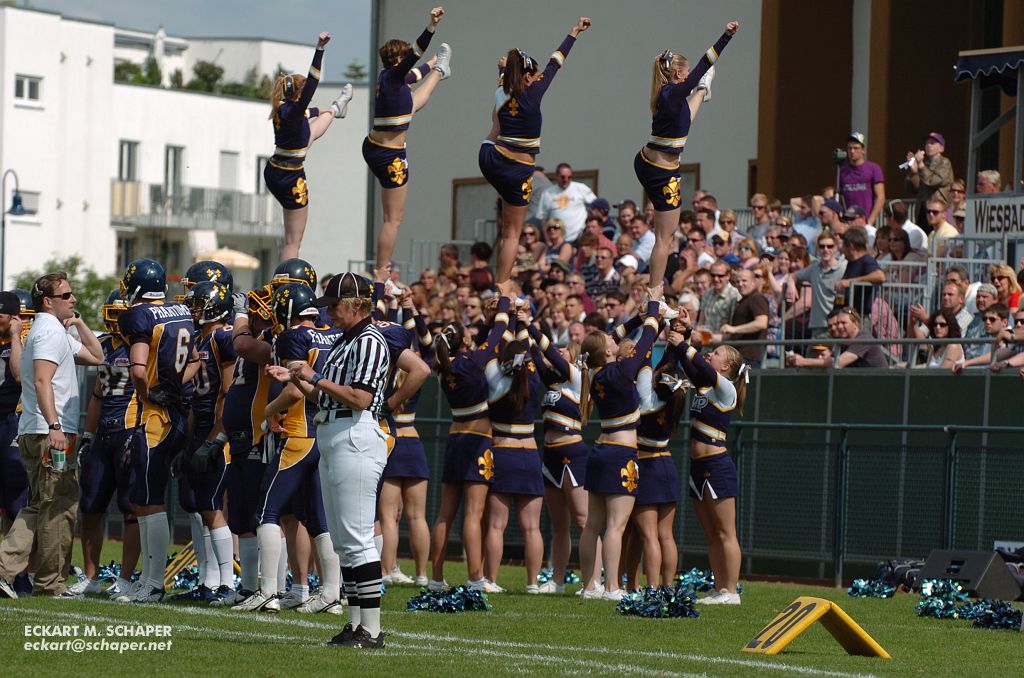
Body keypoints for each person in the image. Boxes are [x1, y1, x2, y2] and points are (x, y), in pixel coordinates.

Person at [277, 273, 392, 648]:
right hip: (333, 430)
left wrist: (314, 376)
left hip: (355, 433)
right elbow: (324, 397)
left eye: (335, 305)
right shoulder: (346, 340)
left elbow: (360, 398)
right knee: (343, 541)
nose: (329, 313)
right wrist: (295, 377)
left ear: (357, 304)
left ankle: (371, 630)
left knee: (357, 538)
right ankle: (356, 624)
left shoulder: (370, 340)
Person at [0, 273, 104, 599]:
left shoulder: (54, 331)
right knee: (57, 507)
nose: (73, 299)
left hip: (41, 431)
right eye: (66, 295)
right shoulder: (48, 332)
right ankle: (39, 581)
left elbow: (98, 356)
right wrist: (55, 426)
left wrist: (79, 323)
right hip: (50, 433)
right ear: (47, 301)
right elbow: (42, 381)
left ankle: (43, 581)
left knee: (46, 505)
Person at [483, 19, 592, 286]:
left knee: (495, 127)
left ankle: (503, 282)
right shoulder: (533, 92)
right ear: (527, 77)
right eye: (533, 74)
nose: (536, 77)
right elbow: (556, 62)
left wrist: (503, 69)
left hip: (488, 156)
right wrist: (573, 33)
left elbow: (507, 77)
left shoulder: (500, 91)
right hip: (517, 168)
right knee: (512, 234)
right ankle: (502, 285)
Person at [113, 261, 195, 604]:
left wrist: (148, 394)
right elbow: (195, 361)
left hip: (154, 417)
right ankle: (148, 580)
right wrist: (173, 386)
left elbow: (137, 370)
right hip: (173, 412)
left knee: (149, 500)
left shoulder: (140, 316)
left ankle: (154, 583)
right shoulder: (181, 311)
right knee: (144, 499)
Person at [638, 21, 738, 293]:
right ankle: (655, 295)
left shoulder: (667, 95)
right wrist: (726, 36)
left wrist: (701, 89)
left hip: (649, 160)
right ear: (679, 74)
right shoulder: (672, 92)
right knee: (665, 237)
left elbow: (686, 120)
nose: (690, 74)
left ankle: (704, 91)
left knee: (686, 117)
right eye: (688, 72)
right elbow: (705, 64)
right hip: (662, 171)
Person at [577, 295, 663, 601]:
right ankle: (612, 587)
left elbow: (615, 336)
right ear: (607, 352)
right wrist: (654, 310)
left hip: (600, 450)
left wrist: (639, 317)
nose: (613, 338)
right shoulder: (621, 371)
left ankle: (589, 586)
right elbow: (647, 340)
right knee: (616, 525)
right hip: (621, 453)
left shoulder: (594, 371)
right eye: (609, 340)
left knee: (592, 526)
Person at [429, 295, 512, 592]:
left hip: (455, 438)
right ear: (464, 341)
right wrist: (504, 302)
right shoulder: (472, 362)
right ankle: (476, 578)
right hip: (477, 441)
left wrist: (486, 321)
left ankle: (436, 578)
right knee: (474, 514)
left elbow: (484, 336)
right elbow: (498, 334)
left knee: (444, 514)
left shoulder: (445, 367)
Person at [666, 315, 745, 604]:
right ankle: (719, 587)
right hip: (698, 466)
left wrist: (684, 344)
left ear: (726, 366)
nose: (710, 354)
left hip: (717, 466)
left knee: (726, 532)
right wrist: (682, 332)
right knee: (711, 533)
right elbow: (690, 364)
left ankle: (731, 591)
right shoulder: (705, 386)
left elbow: (698, 363)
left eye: (717, 353)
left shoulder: (726, 388)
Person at [367, 7, 451, 275]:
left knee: (411, 103)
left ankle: (441, 71)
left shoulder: (389, 78)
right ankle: (382, 272)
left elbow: (414, 73)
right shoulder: (394, 76)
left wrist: (433, 64)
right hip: (389, 155)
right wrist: (431, 26)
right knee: (393, 219)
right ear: (398, 59)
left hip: (375, 146)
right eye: (405, 58)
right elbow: (416, 53)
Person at [70, 291, 140, 598]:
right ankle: (91, 576)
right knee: (90, 506)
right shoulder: (103, 346)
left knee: (131, 509)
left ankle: (125, 579)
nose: (116, 320)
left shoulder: (141, 345)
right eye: (113, 313)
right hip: (104, 434)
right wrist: (88, 436)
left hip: (130, 431)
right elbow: (98, 395)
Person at [265, 32, 354, 261]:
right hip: (290, 176)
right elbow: (313, 81)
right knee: (293, 241)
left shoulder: (282, 107)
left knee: (310, 133)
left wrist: (321, 110)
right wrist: (319, 49)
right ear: (300, 94)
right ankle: (286, 281)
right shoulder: (296, 110)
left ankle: (336, 107)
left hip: (275, 169)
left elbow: (305, 113)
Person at [175, 281, 237, 603]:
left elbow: (228, 391)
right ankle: (209, 581)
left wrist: (216, 438)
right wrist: (187, 440)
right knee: (201, 506)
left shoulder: (222, 337)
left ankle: (227, 583)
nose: (193, 309)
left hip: (216, 430)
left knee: (212, 506)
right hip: (199, 427)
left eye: (198, 303)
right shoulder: (200, 338)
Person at [482, 305, 545, 593]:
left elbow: (492, 348)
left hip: (503, 451)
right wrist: (523, 321)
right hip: (529, 452)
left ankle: (491, 580)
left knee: (497, 524)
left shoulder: (494, 378)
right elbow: (525, 349)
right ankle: (532, 583)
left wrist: (505, 317)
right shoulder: (533, 379)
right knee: (532, 526)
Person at [525, 322, 588, 594]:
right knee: (559, 525)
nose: (560, 352)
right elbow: (539, 358)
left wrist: (530, 325)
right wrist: (522, 330)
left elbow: (548, 353)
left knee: (584, 521)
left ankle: (593, 581)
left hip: (571, 452)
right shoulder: (554, 382)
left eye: (566, 350)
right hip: (550, 454)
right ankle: (558, 581)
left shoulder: (576, 379)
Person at [0, 292, 26, 541]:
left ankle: (16, 561)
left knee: (15, 497)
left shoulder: (24, 341)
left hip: (12, 421)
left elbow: (18, 376)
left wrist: (16, 336)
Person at [785, 308, 887, 368]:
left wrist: (803, 361)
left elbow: (839, 363)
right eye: (838, 323)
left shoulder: (863, 339)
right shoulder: (843, 342)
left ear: (856, 324)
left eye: (843, 323)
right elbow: (829, 361)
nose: (839, 327)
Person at [535, 164, 597, 245]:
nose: (566, 180)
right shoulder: (547, 193)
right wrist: (548, 240)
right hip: (557, 241)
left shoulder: (581, 188)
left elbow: (596, 207)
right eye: (563, 177)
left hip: (579, 239)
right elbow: (543, 219)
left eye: (569, 177)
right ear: (556, 176)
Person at [718, 269, 768, 366]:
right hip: (739, 354)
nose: (740, 284)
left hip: (749, 356)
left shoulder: (757, 298)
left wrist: (734, 329)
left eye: (744, 281)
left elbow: (761, 323)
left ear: (753, 282)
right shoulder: (744, 300)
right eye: (737, 282)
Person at [835, 226, 884, 319]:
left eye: (844, 246)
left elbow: (880, 276)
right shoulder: (851, 262)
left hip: (859, 319)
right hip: (847, 315)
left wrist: (850, 282)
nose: (842, 250)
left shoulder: (867, 260)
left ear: (851, 247)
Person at [905, 132, 954, 222]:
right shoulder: (925, 164)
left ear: (941, 148)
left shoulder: (945, 162)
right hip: (923, 209)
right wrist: (914, 172)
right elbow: (914, 189)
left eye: (932, 143)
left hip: (937, 210)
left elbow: (934, 181)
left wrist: (921, 165)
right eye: (927, 143)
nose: (928, 145)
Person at [838, 132, 885, 225]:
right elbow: (839, 196)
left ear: (863, 150)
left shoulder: (873, 168)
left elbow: (880, 197)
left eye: (856, 148)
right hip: (847, 221)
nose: (852, 151)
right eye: (849, 148)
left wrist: (870, 220)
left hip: (866, 220)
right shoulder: (842, 170)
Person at [698, 260, 741, 333]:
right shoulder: (707, 293)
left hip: (723, 338)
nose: (716, 279)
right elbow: (701, 321)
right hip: (705, 337)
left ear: (728, 276)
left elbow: (733, 325)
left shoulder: (735, 295)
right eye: (713, 275)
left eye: (720, 276)